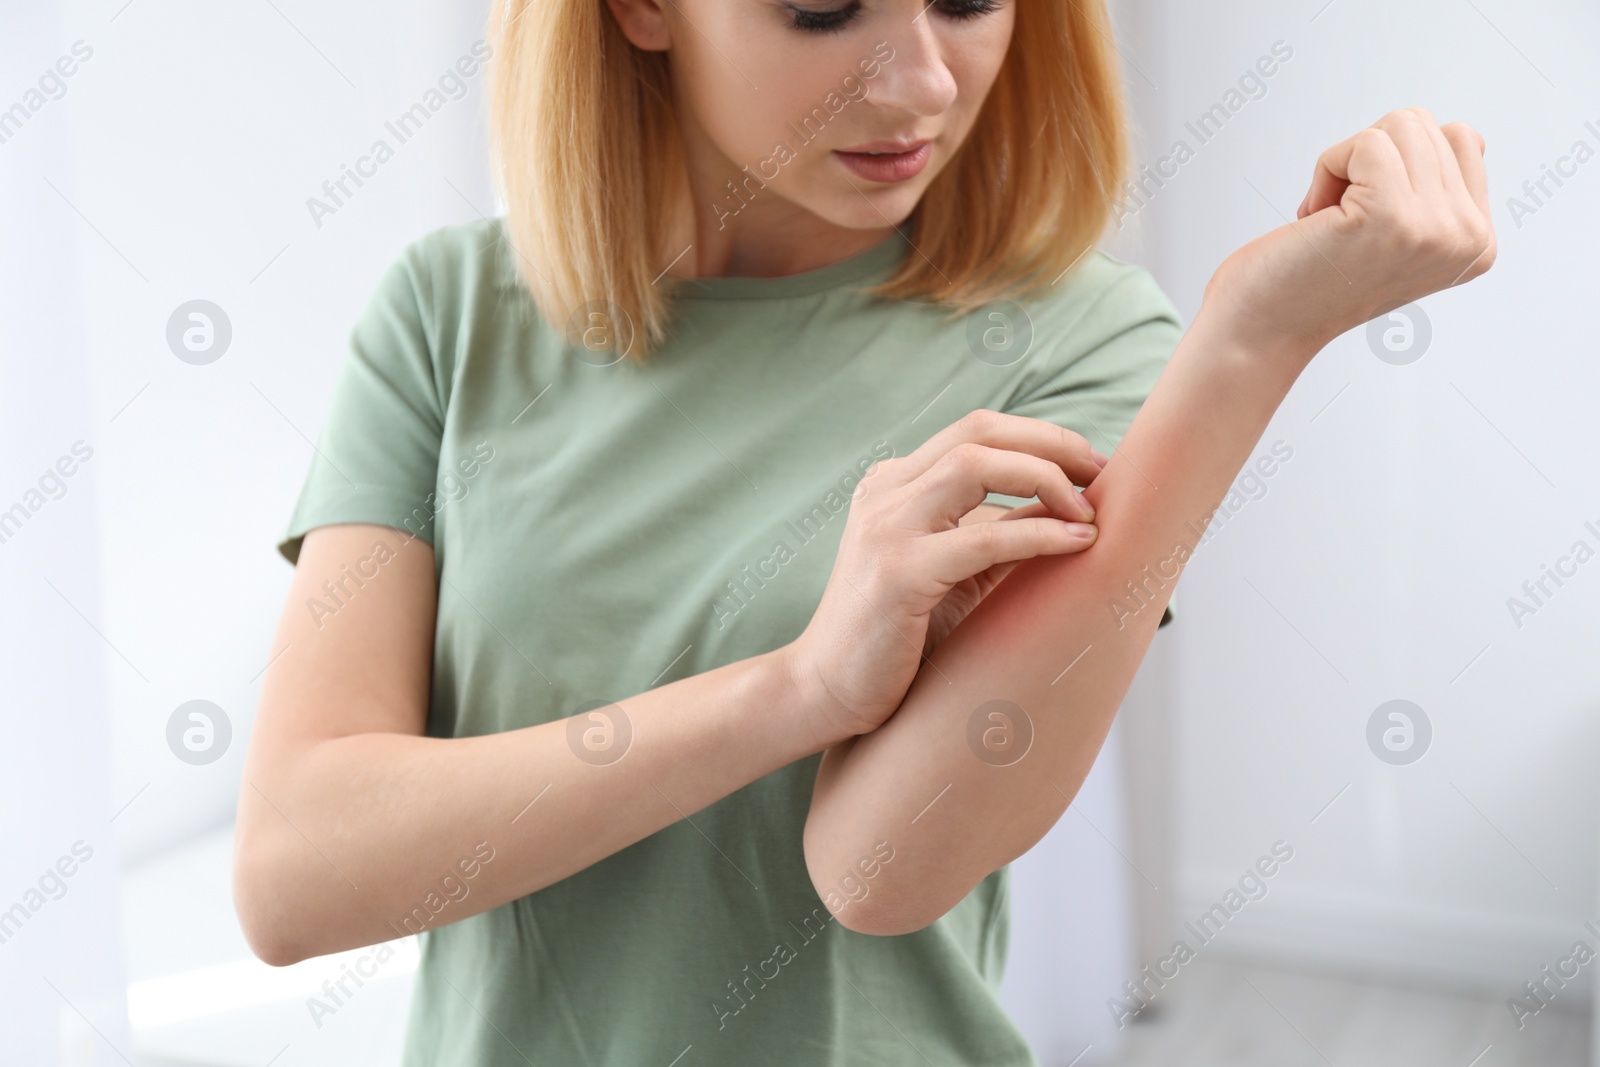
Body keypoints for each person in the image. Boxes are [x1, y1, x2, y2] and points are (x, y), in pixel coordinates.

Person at [231, 0, 1496, 1060]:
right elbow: (296, 874)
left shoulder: (1084, 348)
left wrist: (1253, 340)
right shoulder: (447, 317)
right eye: (822, 7)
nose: (923, 81)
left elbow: (879, 866)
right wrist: (801, 687)